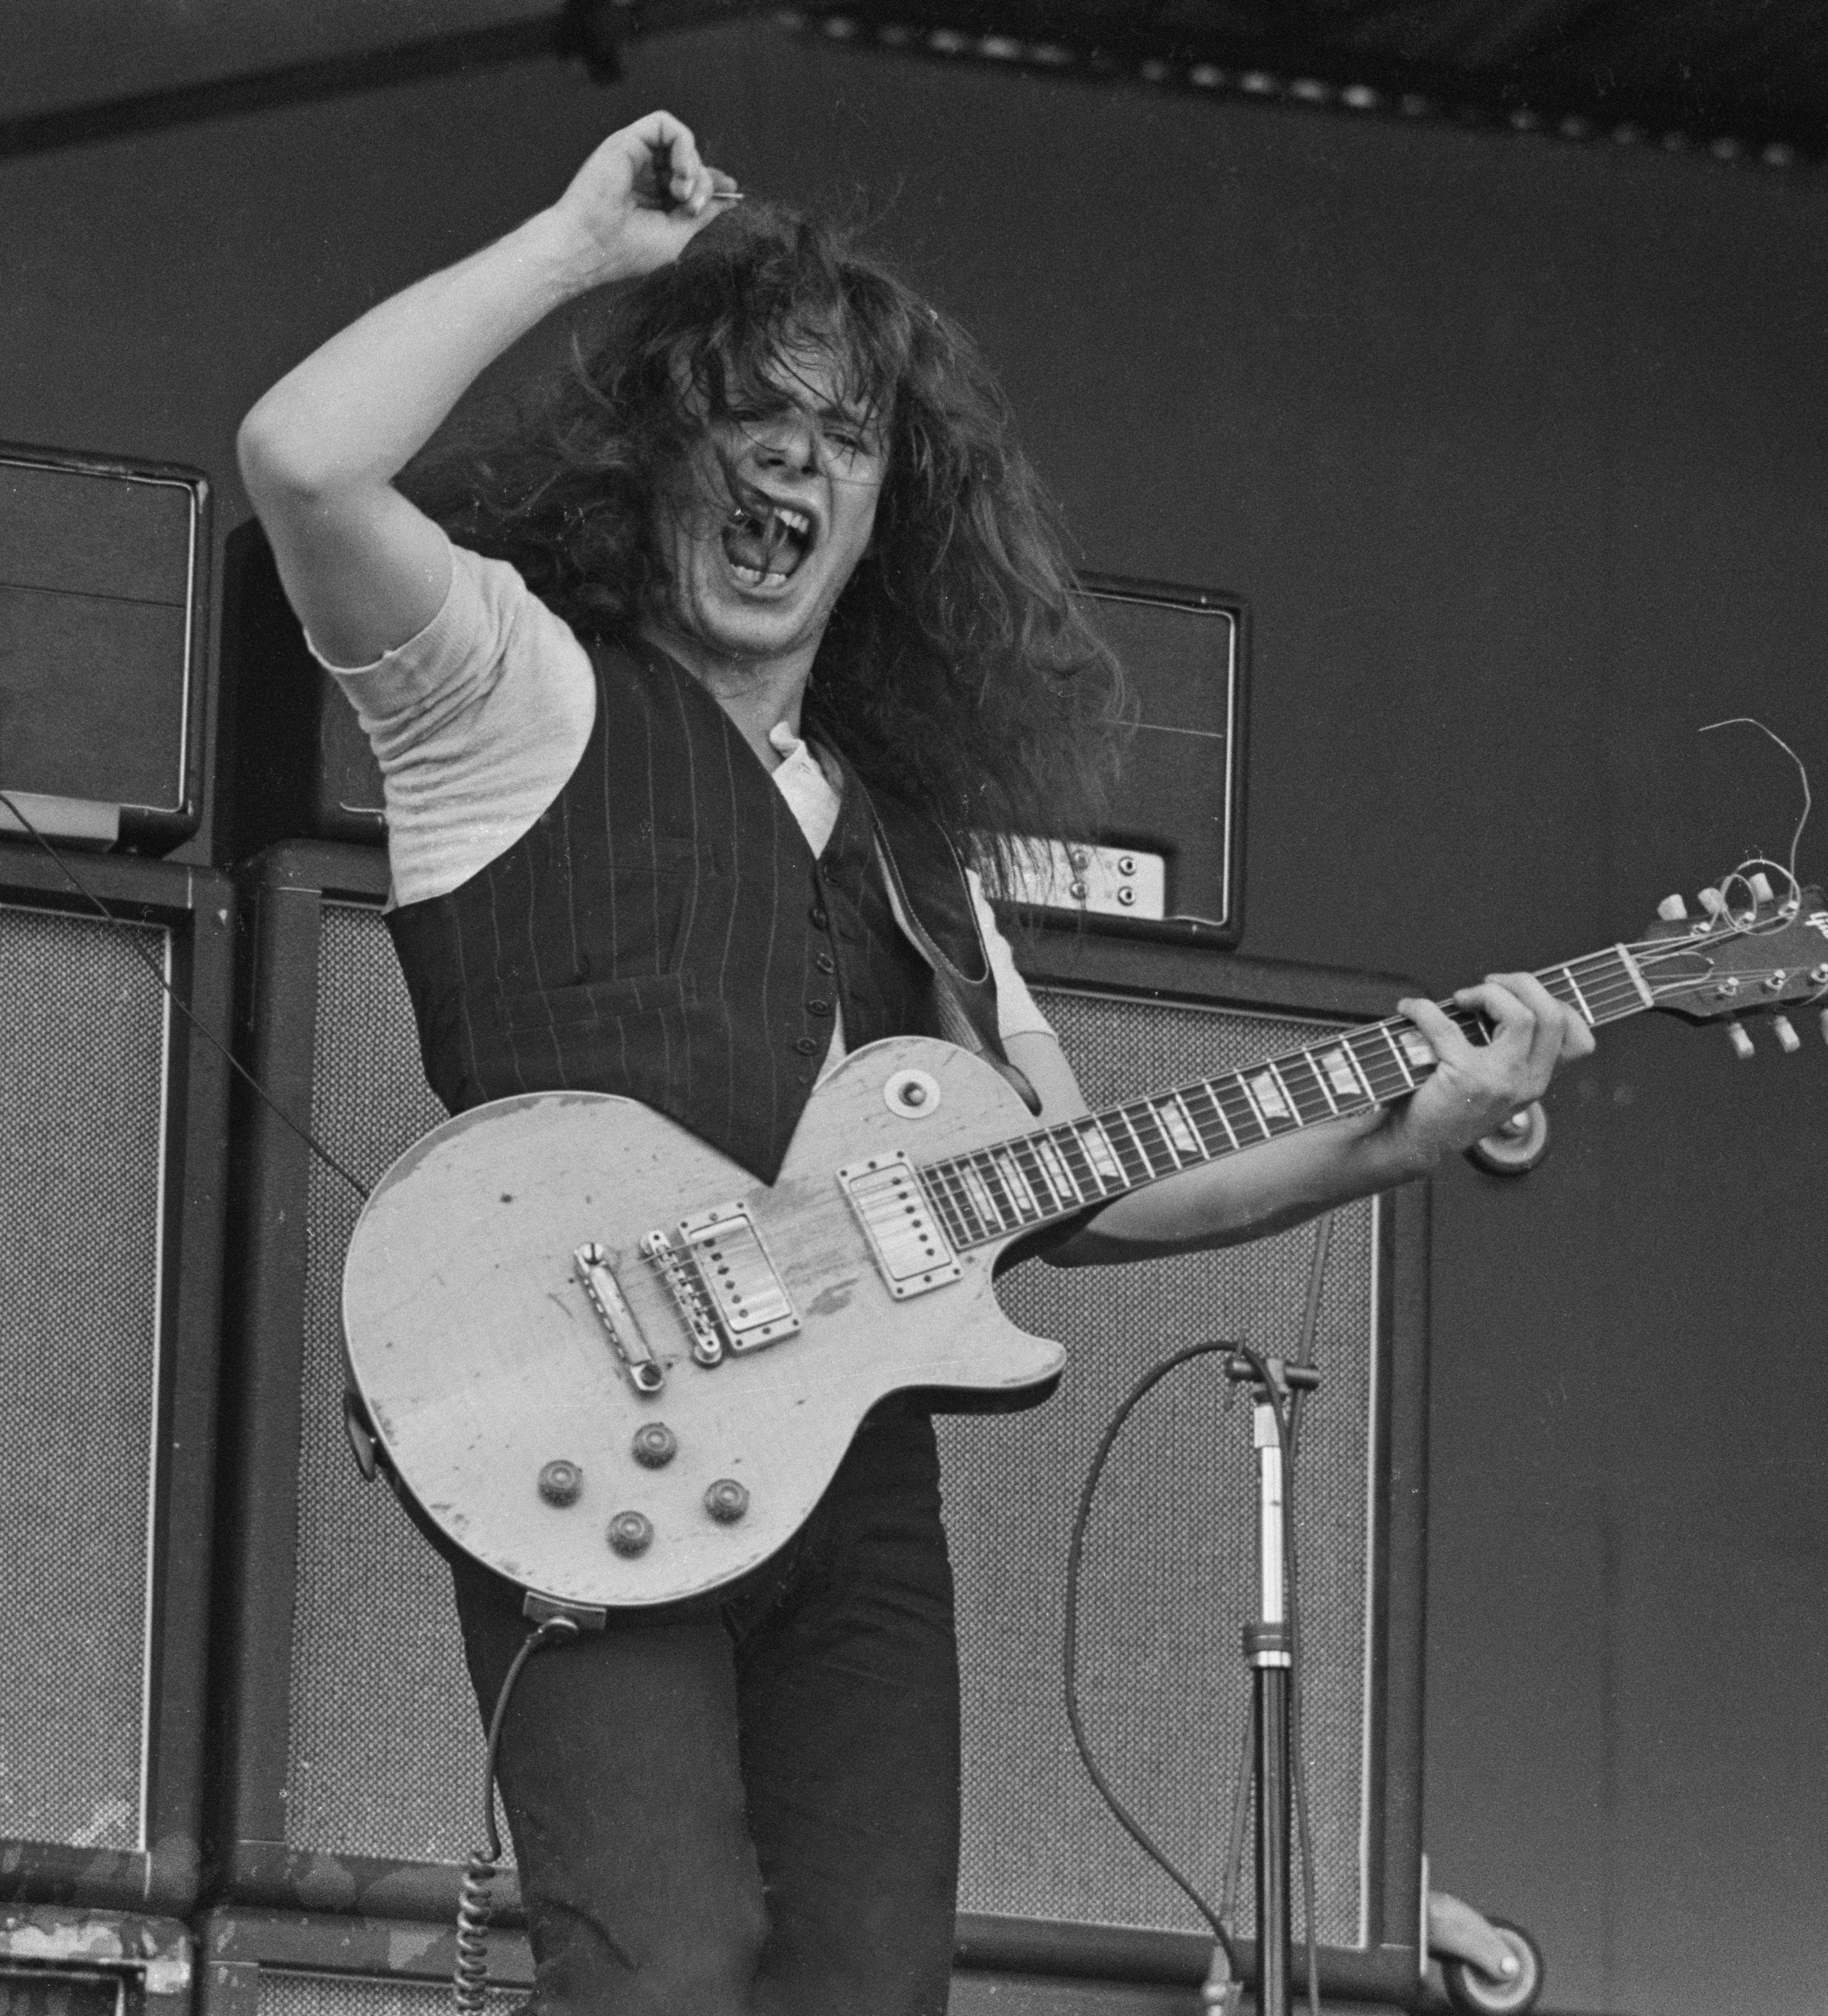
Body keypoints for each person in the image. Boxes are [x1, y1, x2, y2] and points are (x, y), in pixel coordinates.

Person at [236, 111, 1590, 2016]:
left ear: (885, 522)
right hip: (585, 1416)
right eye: (751, 415)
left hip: (852, 1490)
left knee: (867, 1990)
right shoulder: (514, 693)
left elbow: (1070, 1184)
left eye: (845, 437)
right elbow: (300, 457)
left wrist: (1387, 1140)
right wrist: (570, 250)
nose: (794, 458)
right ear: (664, 454)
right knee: (663, 1972)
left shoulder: (915, 854)